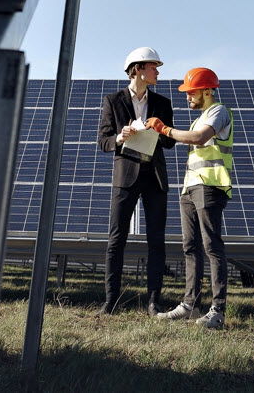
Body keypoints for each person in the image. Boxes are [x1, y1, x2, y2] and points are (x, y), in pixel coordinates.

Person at [149, 66, 235, 330]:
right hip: (190, 188)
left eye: (192, 92)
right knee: (190, 247)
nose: (188, 97)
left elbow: (199, 139)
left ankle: (217, 310)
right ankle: (190, 305)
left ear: (207, 91)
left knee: (211, 246)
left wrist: (164, 130)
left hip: (210, 186)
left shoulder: (218, 112)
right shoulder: (200, 117)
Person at [96, 46, 175, 315]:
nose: (158, 72)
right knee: (116, 240)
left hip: (154, 177)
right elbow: (104, 141)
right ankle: (111, 301)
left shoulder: (163, 103)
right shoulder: (113, 100)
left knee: (156, 241)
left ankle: (154, 302)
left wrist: (159, 128)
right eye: (154, 67)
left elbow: (169, 143)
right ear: (138, 69)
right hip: (126, 176)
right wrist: (121, 136)